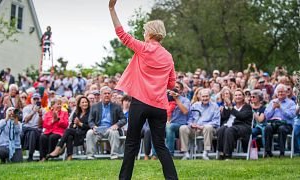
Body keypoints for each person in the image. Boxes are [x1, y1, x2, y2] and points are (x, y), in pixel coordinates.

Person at [109, 1, 178, 179]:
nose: (143, 33)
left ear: (150, 33)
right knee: (160, 146)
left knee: (131, 143)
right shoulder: (168, 56)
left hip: (140, 103)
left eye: (145, 30)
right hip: (159, 106)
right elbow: (171, 84)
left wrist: (111, 9)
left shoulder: (143, 48)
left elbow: (122, 34)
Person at [85, 86, 126, 160]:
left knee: (114, 132)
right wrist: (93, 127)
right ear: (101, 95)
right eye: (105, 93)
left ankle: (114, 155)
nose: (107, 95)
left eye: (108, 93)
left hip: (110, 129)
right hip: (98, 129)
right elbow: (90, 120)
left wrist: (117, 125)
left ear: (111, 95)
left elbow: (124, 119)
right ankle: (90, 155)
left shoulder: (116, 106)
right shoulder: (95, 106)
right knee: (89, 133)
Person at [180, 88, 220, 160]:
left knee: (208, 127)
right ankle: (185, 153)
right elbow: (189, 118)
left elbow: (216, 122)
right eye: (203, 96)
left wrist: (202, 126)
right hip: (195, 129)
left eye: (207, 96)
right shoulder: (195, 105)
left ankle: (205, 153)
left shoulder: (215, 106)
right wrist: (191, 124)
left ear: (210, 97)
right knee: (183, 128)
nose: (205, 98)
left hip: (208, 129)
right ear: (200, 97)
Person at [48, 96, 90, 160]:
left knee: (68, 131)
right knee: (69, 136)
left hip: (84, 135)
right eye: (83, 102)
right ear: (79, 104)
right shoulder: (77, 113)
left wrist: (80, 124)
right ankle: (69, 156)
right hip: (75, 134)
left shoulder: (90, 113)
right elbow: (72, 125)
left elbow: (90, 126)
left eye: (86, 102)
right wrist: (74, 125)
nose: (85, 104)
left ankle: (58, 148)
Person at [217, 88, 253, 160]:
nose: (238, 97)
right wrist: (226, 106)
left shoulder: (247, 107)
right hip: (232, 126)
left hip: (243, 127)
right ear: (234, 97)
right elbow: (224, 117)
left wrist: (230, 107)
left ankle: (227, 154)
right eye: (236, 95)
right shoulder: (233, 107)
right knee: (221, 129)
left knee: (229, 130)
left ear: (243, 97)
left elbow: (241, 116)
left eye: (239, 95)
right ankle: (221, 153)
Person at [264, 84, 296, 157]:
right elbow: (267, 116)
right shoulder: (273, 102)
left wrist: (280, 108)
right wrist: (273, 108)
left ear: (286, 93)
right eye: (279, 92)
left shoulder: (291, 103)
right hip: (274, 123)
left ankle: (282, 153)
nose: (280, 93)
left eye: (282, 92)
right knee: (267, 128)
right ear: (276, 93)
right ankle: (268, 152)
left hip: (286, 125)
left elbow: (291, 115)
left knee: (281, 128)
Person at [21, 93, 45, 162]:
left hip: (37, 130)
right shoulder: (26, 108)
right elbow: (25, 120)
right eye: (34, 99)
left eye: (37, 99)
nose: (36, 101)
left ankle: (31, 156)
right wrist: (33, 112)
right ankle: (35, 156)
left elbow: (40, 125)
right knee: (32, 132)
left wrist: (40, 115)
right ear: (31, 100)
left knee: (34, 132)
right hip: (27, 129)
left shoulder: (43, 110)